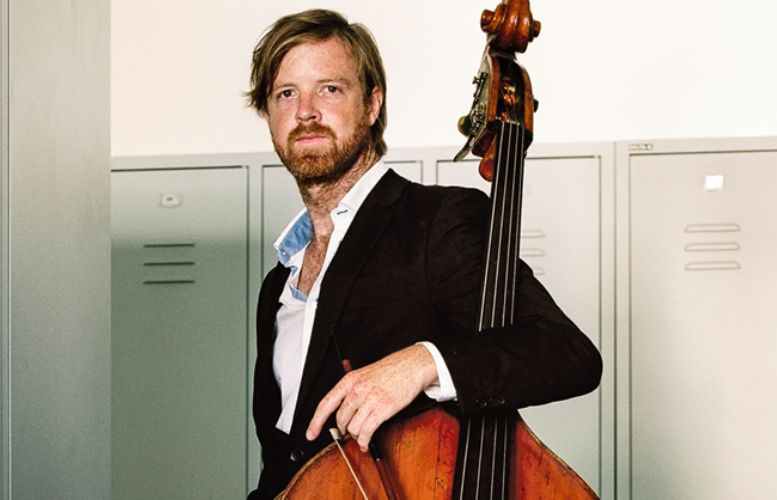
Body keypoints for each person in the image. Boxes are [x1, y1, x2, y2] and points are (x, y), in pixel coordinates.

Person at [244, 9, 601, 499]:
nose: (305, 111)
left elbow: (567, 354)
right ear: (269, 114)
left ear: (372, 104)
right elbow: (282, 462)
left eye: (329, 89)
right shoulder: (278, 283)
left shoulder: (435, 223)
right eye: (287, 93)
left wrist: (421, 363)